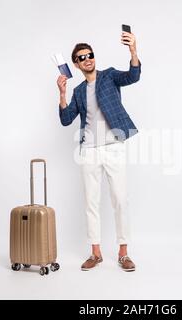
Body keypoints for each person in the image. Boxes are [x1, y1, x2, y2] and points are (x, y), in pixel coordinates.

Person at [56, 31, 141, 272]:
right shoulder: (79, 91)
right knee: (91, 202)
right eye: (82, 58)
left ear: (94, 57)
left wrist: (133, 51)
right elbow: (66, 119)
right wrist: (62, 94)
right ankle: (96, 253)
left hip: (114, 146)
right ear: (76, 64)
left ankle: (123, 253)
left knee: (120, 200)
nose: (87, 59)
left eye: (90, 55)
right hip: (89, 151)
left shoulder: (109, 76)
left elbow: (133, 76)